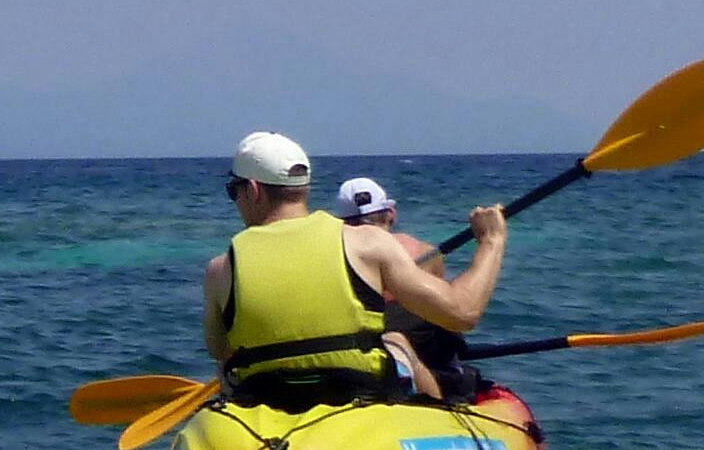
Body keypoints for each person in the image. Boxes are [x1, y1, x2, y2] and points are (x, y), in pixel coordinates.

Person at [199, 133, 504, 413]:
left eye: (233, 191)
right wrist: (491, 240)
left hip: (266, 404)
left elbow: (220, 351)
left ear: (252, 191)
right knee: (396, 341)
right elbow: (462, 312)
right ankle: (440, 414)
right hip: (358, 398)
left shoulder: (220, 269)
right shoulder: (368, 244)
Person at [333, 173, 501, 406]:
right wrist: (491, 239)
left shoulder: (333, 255)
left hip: (362, 344)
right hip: (408, 345)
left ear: (342, 224)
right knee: (414, 336)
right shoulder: (423, 251)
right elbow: (455, 312)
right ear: (391, 214)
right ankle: (439, 402)